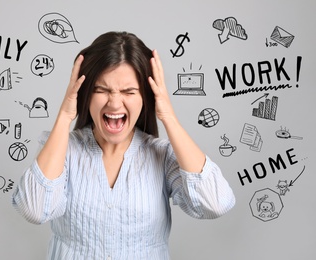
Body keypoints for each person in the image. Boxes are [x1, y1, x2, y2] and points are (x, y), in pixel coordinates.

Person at [12, 31, 235, 260]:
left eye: (129, 92)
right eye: (102, 90)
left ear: (145, 97)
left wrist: (168, 115)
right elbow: (34, 209)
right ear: (86, 94)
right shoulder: (63, 150)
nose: (115, 102)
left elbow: (216, 203)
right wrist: (65, 115)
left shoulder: (162, 155)